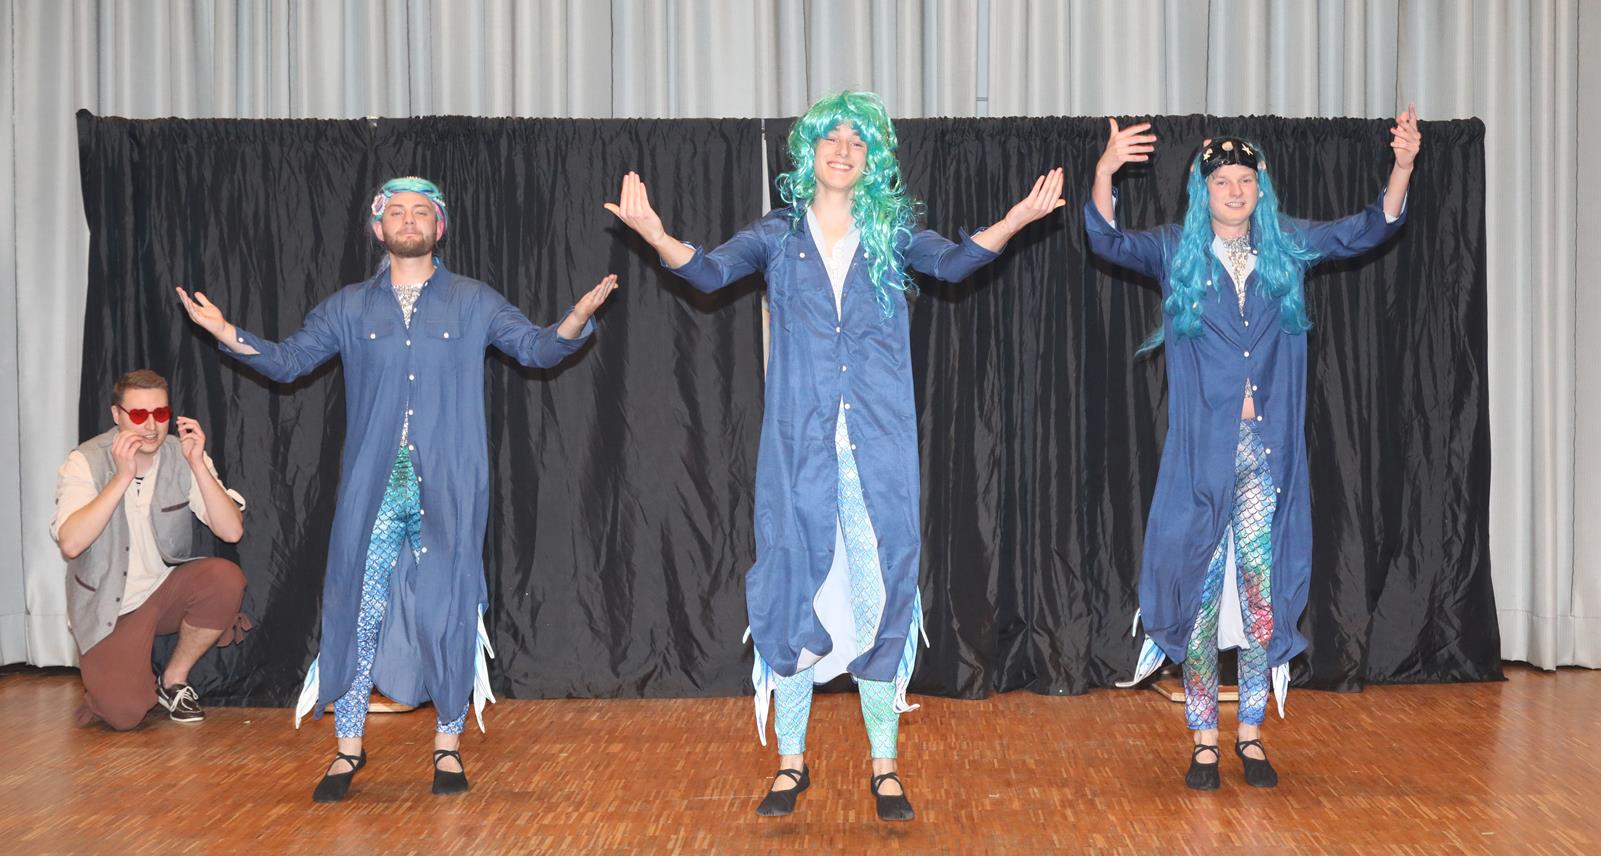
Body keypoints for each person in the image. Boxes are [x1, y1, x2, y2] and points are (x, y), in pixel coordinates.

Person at [606, 91, 1063, 820]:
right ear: (809, 151)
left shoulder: (892, 232)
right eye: (832, 138)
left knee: (880, 599)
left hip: (878, 453)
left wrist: (1012, 221)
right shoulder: (777, 234)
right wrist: (657, 235)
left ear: (872, 159)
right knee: (794, 595)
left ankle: (885, 766)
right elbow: (710, 272)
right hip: (799, 452)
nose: (844, 151)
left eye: (859, 142)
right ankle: (791, 763)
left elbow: (953, 265)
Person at [175, 176, 618, 801]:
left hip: (450, 485)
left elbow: (536, 350)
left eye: (422, 212)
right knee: (358, 608)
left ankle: (447, 747)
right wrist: (225, 330)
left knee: (448, 608)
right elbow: (288, 361)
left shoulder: (473, 301)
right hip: (373, 488)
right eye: (397, 212)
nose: (409, 220)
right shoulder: (349, 307)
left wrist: (574, 319)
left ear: (439, 227)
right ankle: (347, 749)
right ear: (378, 228)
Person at [1087, 108, 1422, 789]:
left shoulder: (1285, 247)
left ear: (1259, 189)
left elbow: (1368, 228)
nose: (1235, 190)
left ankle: (1251, 734)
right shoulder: (1176, 253)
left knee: (1262, 596)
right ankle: (1204, 740)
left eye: (1245, 180)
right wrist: (1104, 171)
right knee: (1202, 599)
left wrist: (1404, 166)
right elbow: (1105, 239)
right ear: (1203, 191)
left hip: (1264, 460)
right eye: (1223, 181)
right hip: (1201, 462)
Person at [53, 368, 248, 730]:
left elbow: (231, 531)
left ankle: (173, 680)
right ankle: (116, 680)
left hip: (162, 593)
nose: (151, 426)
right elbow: (71, 543)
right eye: (139, 414)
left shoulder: (182, 454)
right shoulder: (85, 460)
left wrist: (197, 465)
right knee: (124, 714)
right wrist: (122, 476)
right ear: (117, 415)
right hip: (108, 609)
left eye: (160, 413)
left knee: (225, 579)